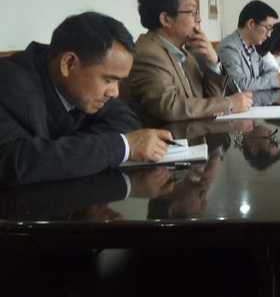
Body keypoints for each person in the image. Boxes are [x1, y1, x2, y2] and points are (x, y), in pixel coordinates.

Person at [0, 12, 173, 185]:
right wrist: (121, 146)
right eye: (108, 80)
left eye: (119, 81)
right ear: (69, 63)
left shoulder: (84, 88)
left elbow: (127, 122)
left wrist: (72, 152)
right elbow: (18, 163)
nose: (115, 92)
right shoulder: (8, 84)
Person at [123, 0, 252, 123]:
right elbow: (170, 107)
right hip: (166, 135)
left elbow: (209, 101)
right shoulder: (148, 53)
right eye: (193, 12)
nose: (199, 19)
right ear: (166, 19)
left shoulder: (186, 53)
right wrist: (229, 103)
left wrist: (213, 63)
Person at [218, 1, 280, 91]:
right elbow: (240, 86)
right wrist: (276, 80)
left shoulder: (252, 48)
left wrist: (265, 80)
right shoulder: (229, 48)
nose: (269, 35)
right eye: (268, 28)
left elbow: (271, 71)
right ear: (251, 24)